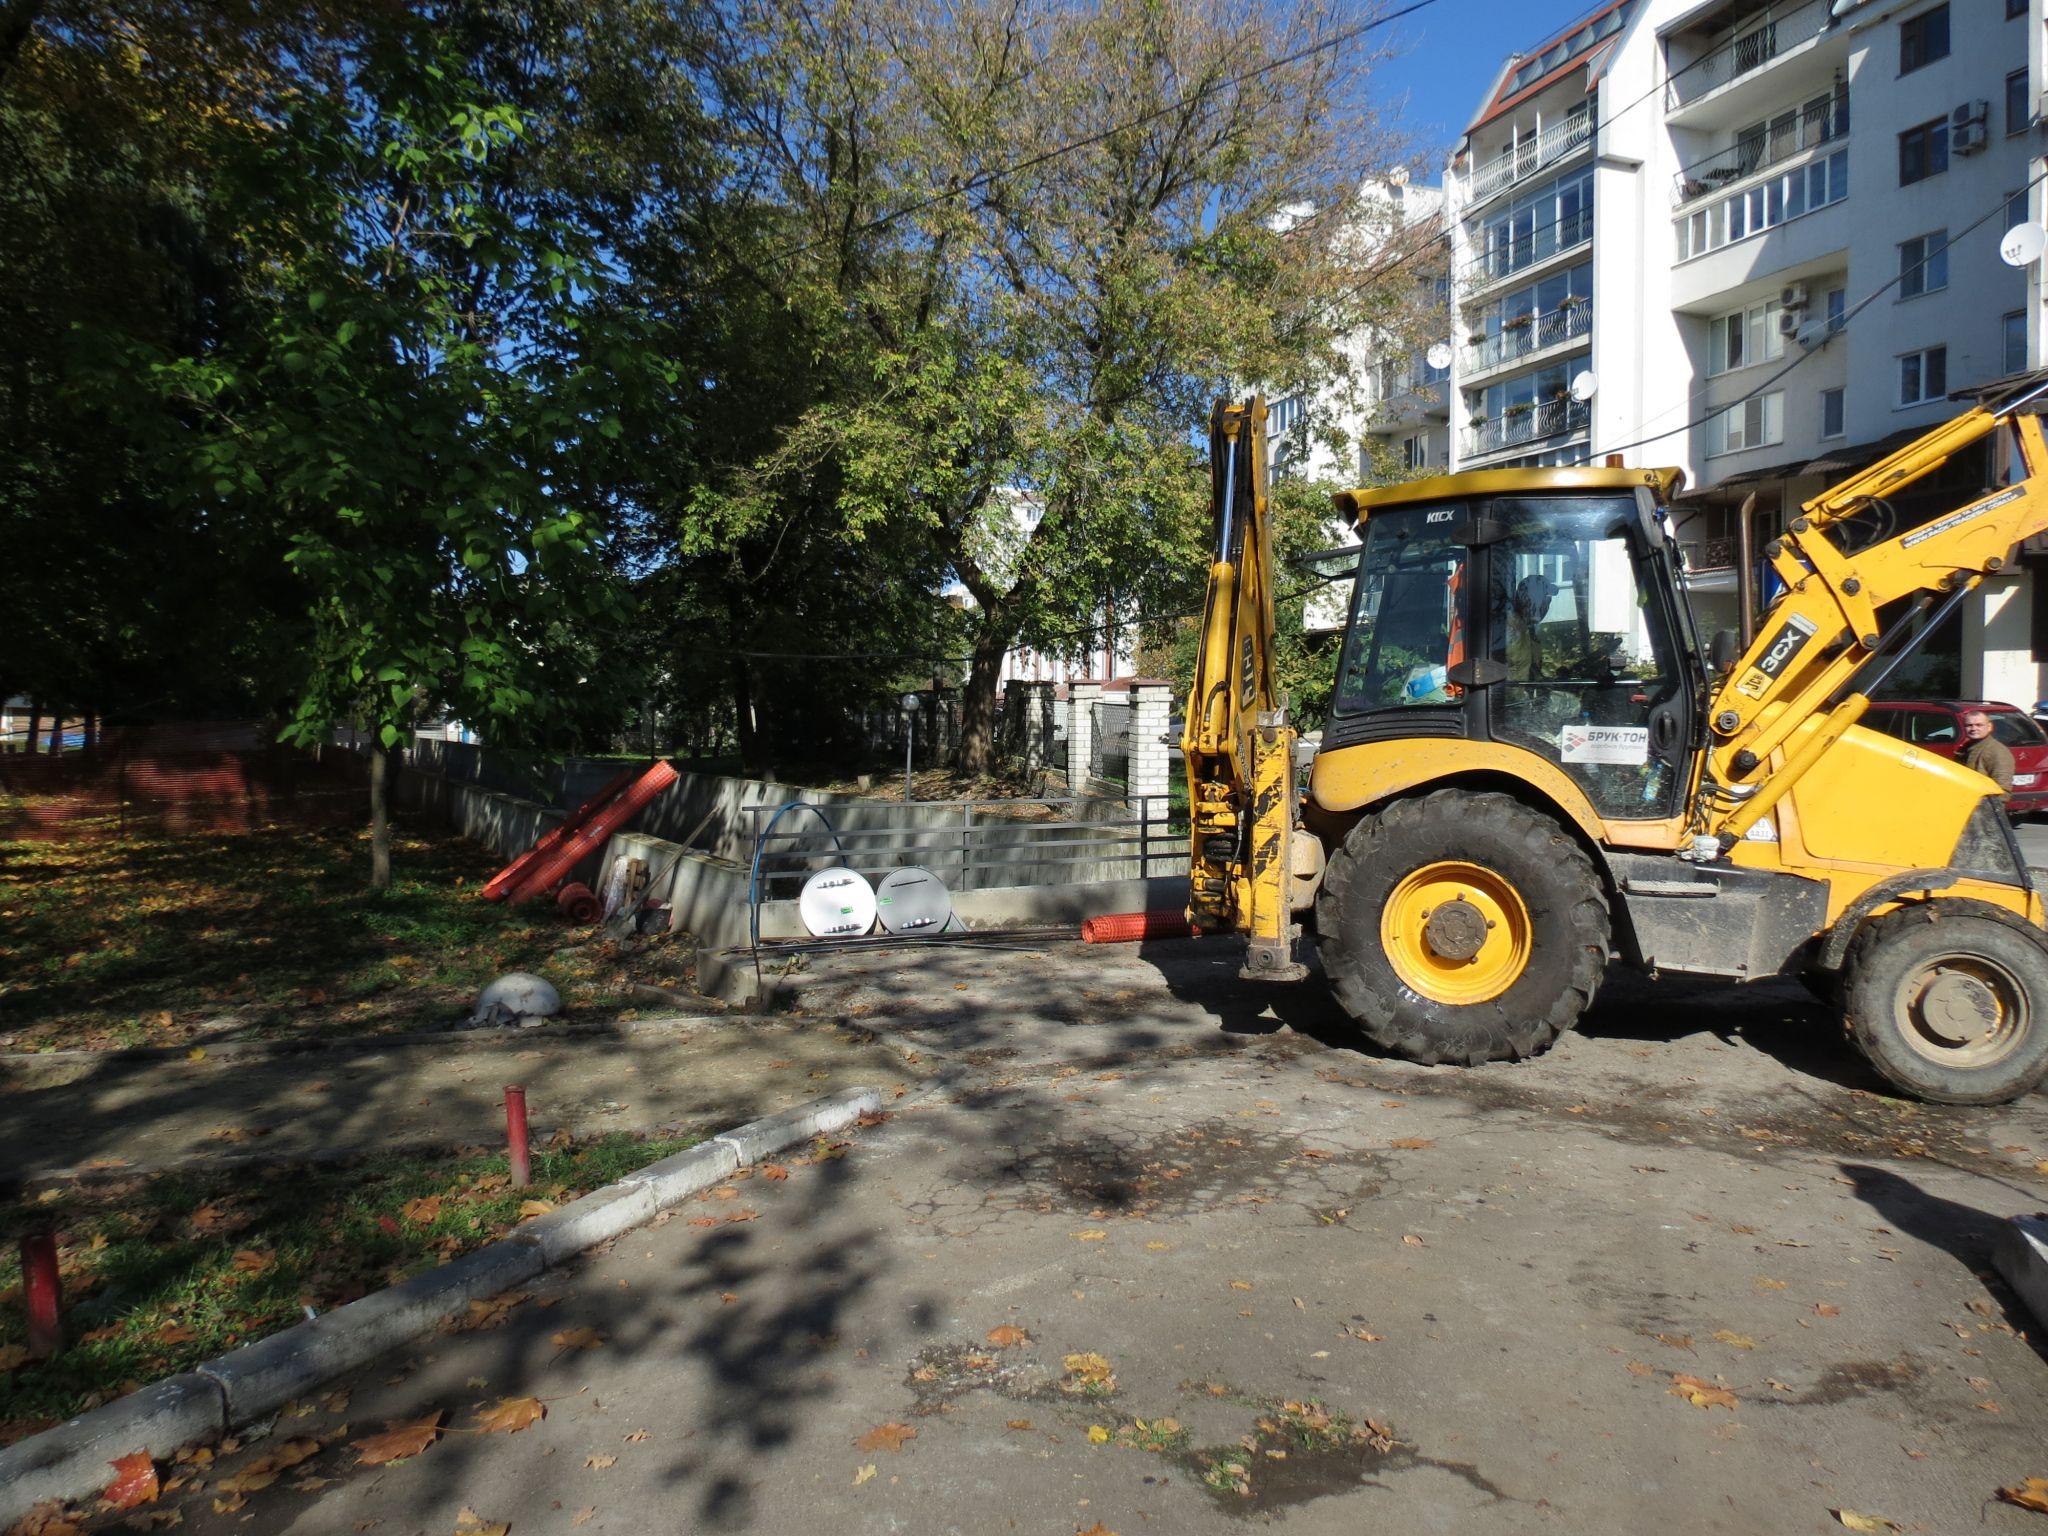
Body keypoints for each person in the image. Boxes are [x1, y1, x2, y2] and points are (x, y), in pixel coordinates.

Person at [1506, 573, 1557, 681]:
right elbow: (1506, 678)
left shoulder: (1530, 630)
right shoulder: (1509, 629)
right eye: (1546, 601)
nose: (1547, 606)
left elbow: (1530, 671)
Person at [1960, 709, 2015, 801]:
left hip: (1983, 808)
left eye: (1979, 725)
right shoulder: (1966, 748)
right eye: (1969, 725)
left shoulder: (1997, 751)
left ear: (1989, 727)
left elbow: (2002, 790)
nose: (1973, 729)